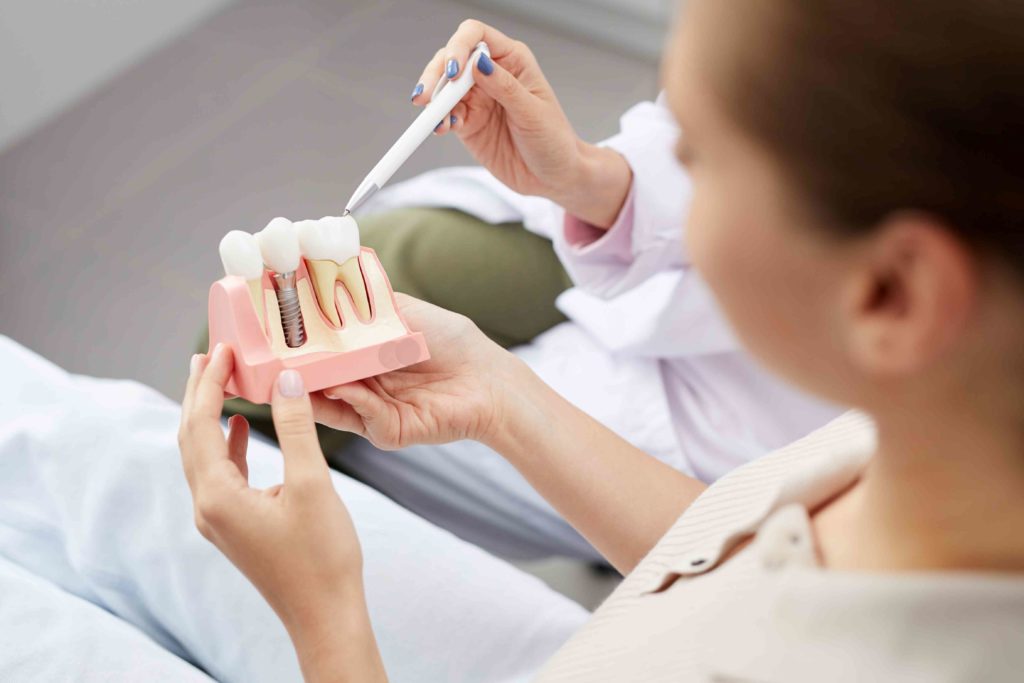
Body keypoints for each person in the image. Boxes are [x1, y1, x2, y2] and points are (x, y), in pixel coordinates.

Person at [180, 2, 1024, 681]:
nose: (669, 180)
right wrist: (499, 395)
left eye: (695, 157)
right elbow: (730, 552)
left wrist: (326, 622)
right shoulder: (913, 457)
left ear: (891, 294)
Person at [213, 34, 842, 563]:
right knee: (392, 252)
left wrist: (501, 401)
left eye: (699, 155)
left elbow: (727, 565)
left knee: (255, 413)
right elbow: (701, 144)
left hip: (710, 435)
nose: (688, 167)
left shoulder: (832, 520)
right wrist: (583, 175)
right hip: (653, 273)